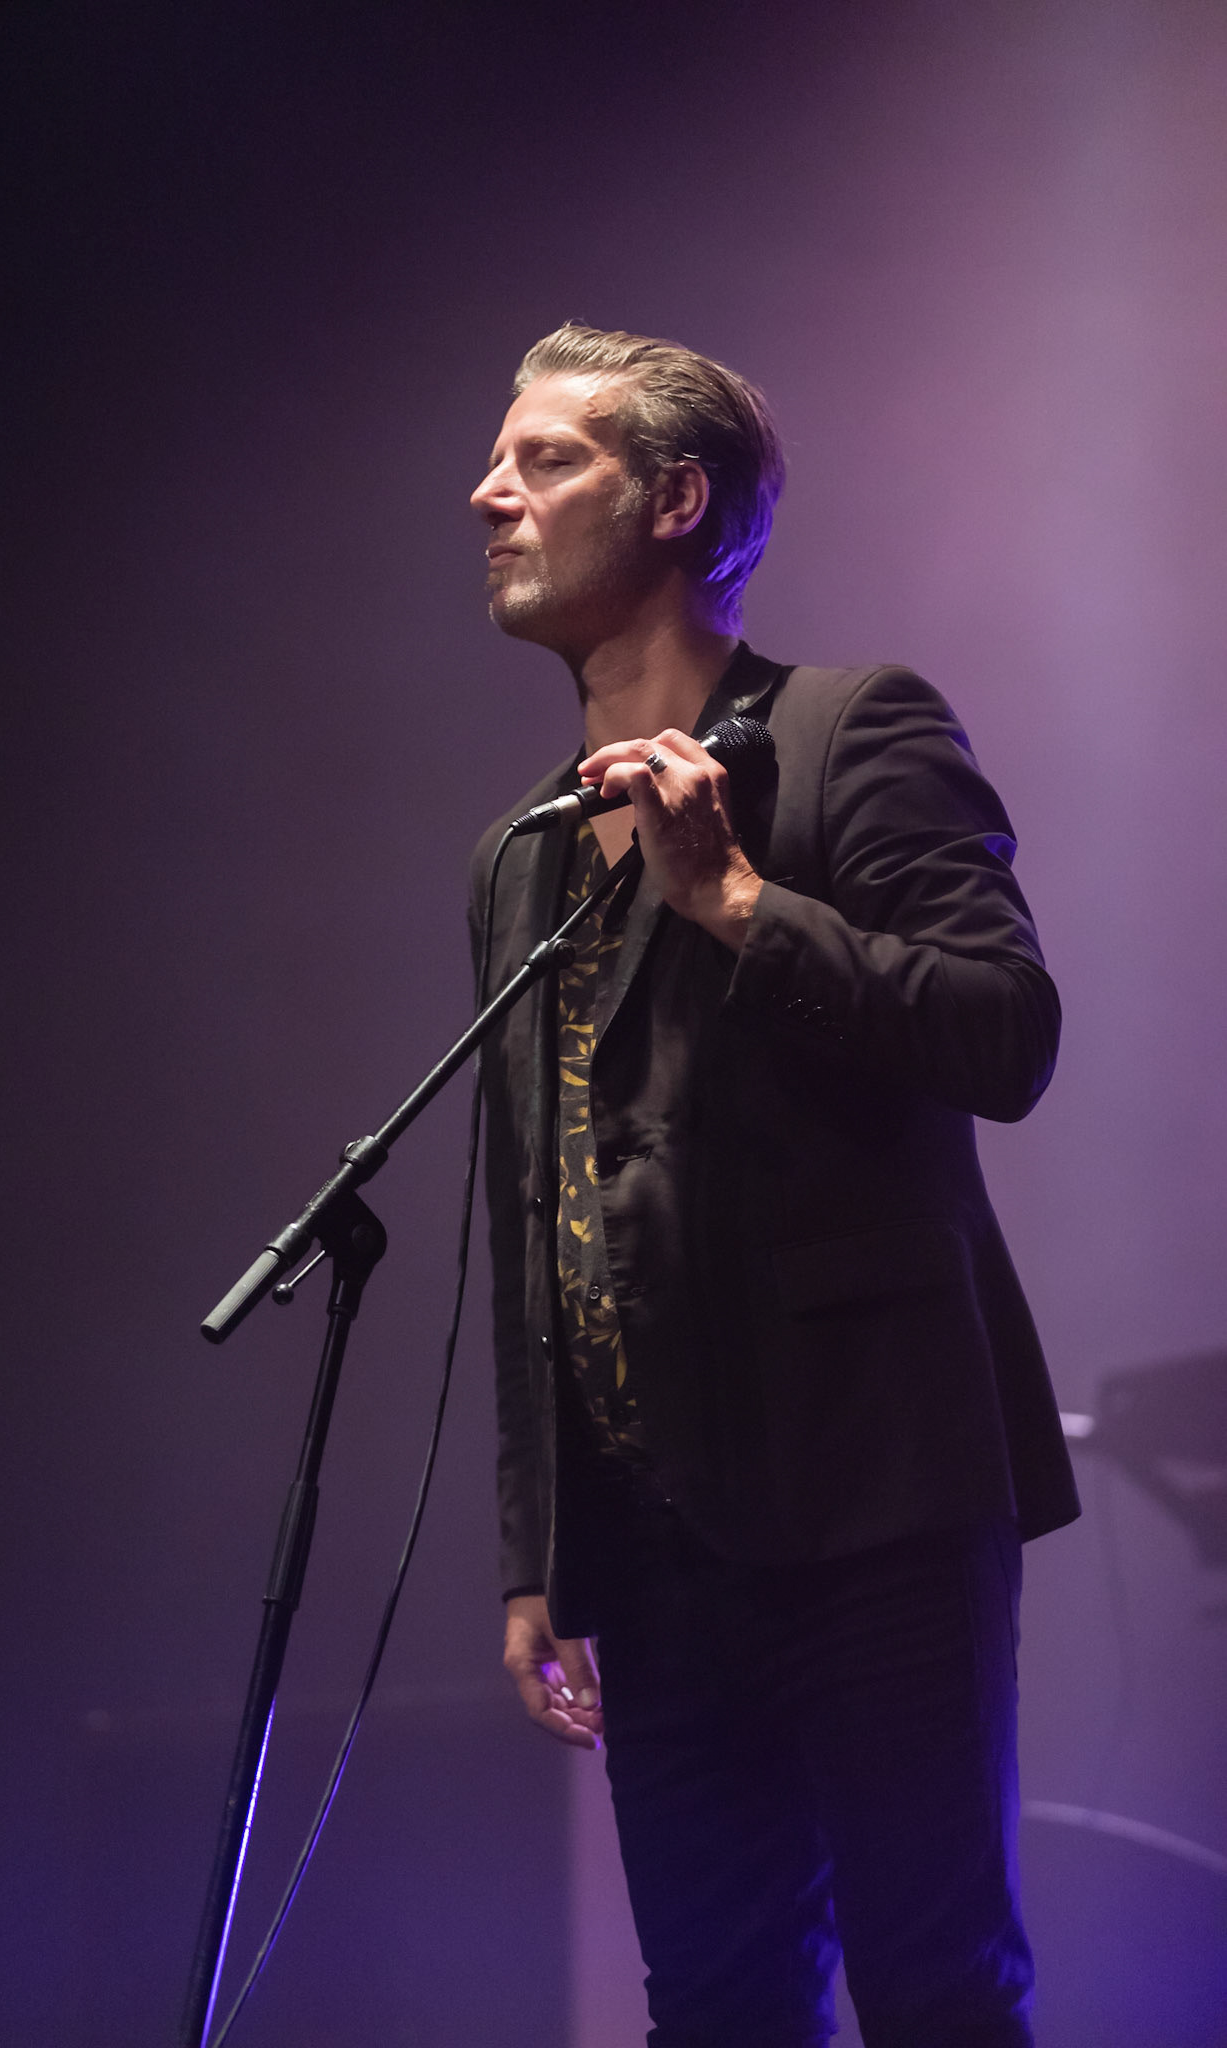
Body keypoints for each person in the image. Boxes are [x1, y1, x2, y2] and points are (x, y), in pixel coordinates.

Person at [467, 323, 1079, 2048]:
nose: (489, 494)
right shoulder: (516, 855)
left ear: (676, 500)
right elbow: (537, 1208)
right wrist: (538, 1547)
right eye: (497, 461)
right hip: (659, 1539)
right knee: (718, 2007)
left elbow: (1004, 1030)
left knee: (934, 1990)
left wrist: (734, 901)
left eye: (544, 460)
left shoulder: (845, 730)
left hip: (874, 1497)